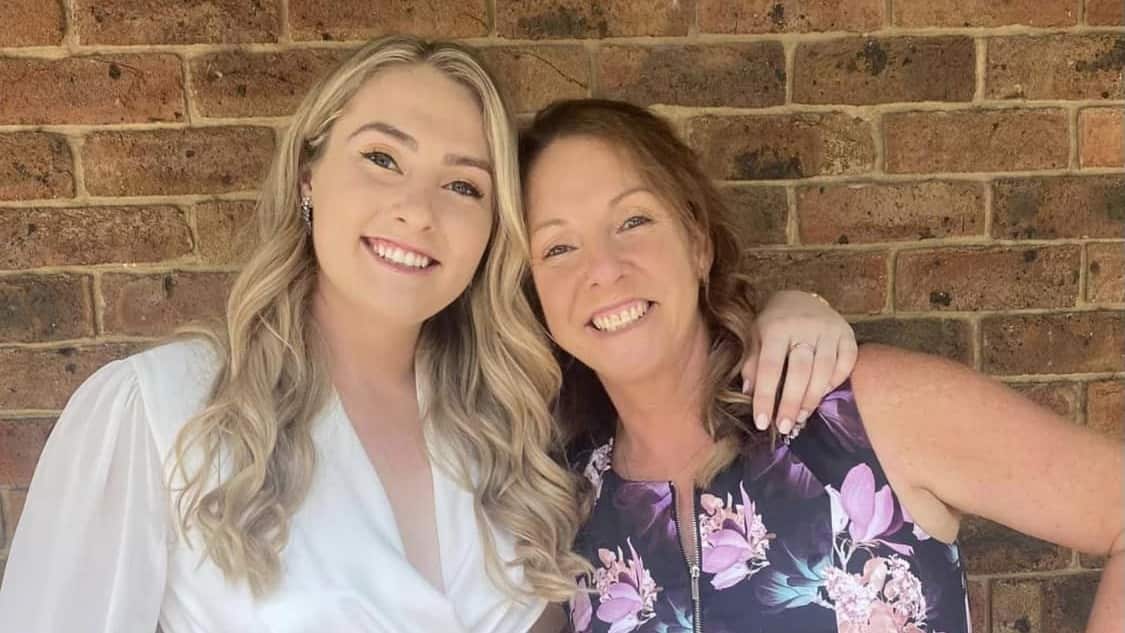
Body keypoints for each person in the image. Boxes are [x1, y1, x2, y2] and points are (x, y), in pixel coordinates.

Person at [0, 37, 857, 632]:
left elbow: (656, 333)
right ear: (308, 175)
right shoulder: (159, 413)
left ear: (494, 231)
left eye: (464, 184)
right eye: (381, 158)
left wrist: (791, 310)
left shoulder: (520, 423)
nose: (416, 207)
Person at [517, 99, 1124, 633]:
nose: (602, 267)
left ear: (698, 241)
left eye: (633, 220)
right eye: (558, 247)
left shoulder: (867, 413)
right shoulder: (563, 504)